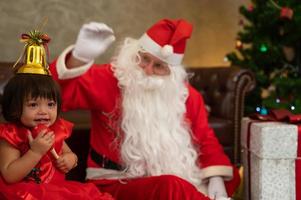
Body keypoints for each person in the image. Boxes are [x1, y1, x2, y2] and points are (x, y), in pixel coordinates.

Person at [50, 19, 240, 200]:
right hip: (116, 181)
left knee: (227, 179)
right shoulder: (110, 77)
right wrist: (78, 58)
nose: (147, 70)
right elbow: (53, 96)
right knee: (172, 187)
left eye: (158, 66)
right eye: (143, 59)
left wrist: (216, 179)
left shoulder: (186, 96)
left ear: (171, 72)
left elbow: (206, 140)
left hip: (170, 175)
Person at [0, 32, 113, 200]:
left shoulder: (55, 129)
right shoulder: (12, 135)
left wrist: (69, 159)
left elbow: (69, 154)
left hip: (57, 189)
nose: (44, 111)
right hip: (24, 193)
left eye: (50, 104)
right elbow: (10, 175)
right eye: (33, 105)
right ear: (15, 108)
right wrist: (35, 152)